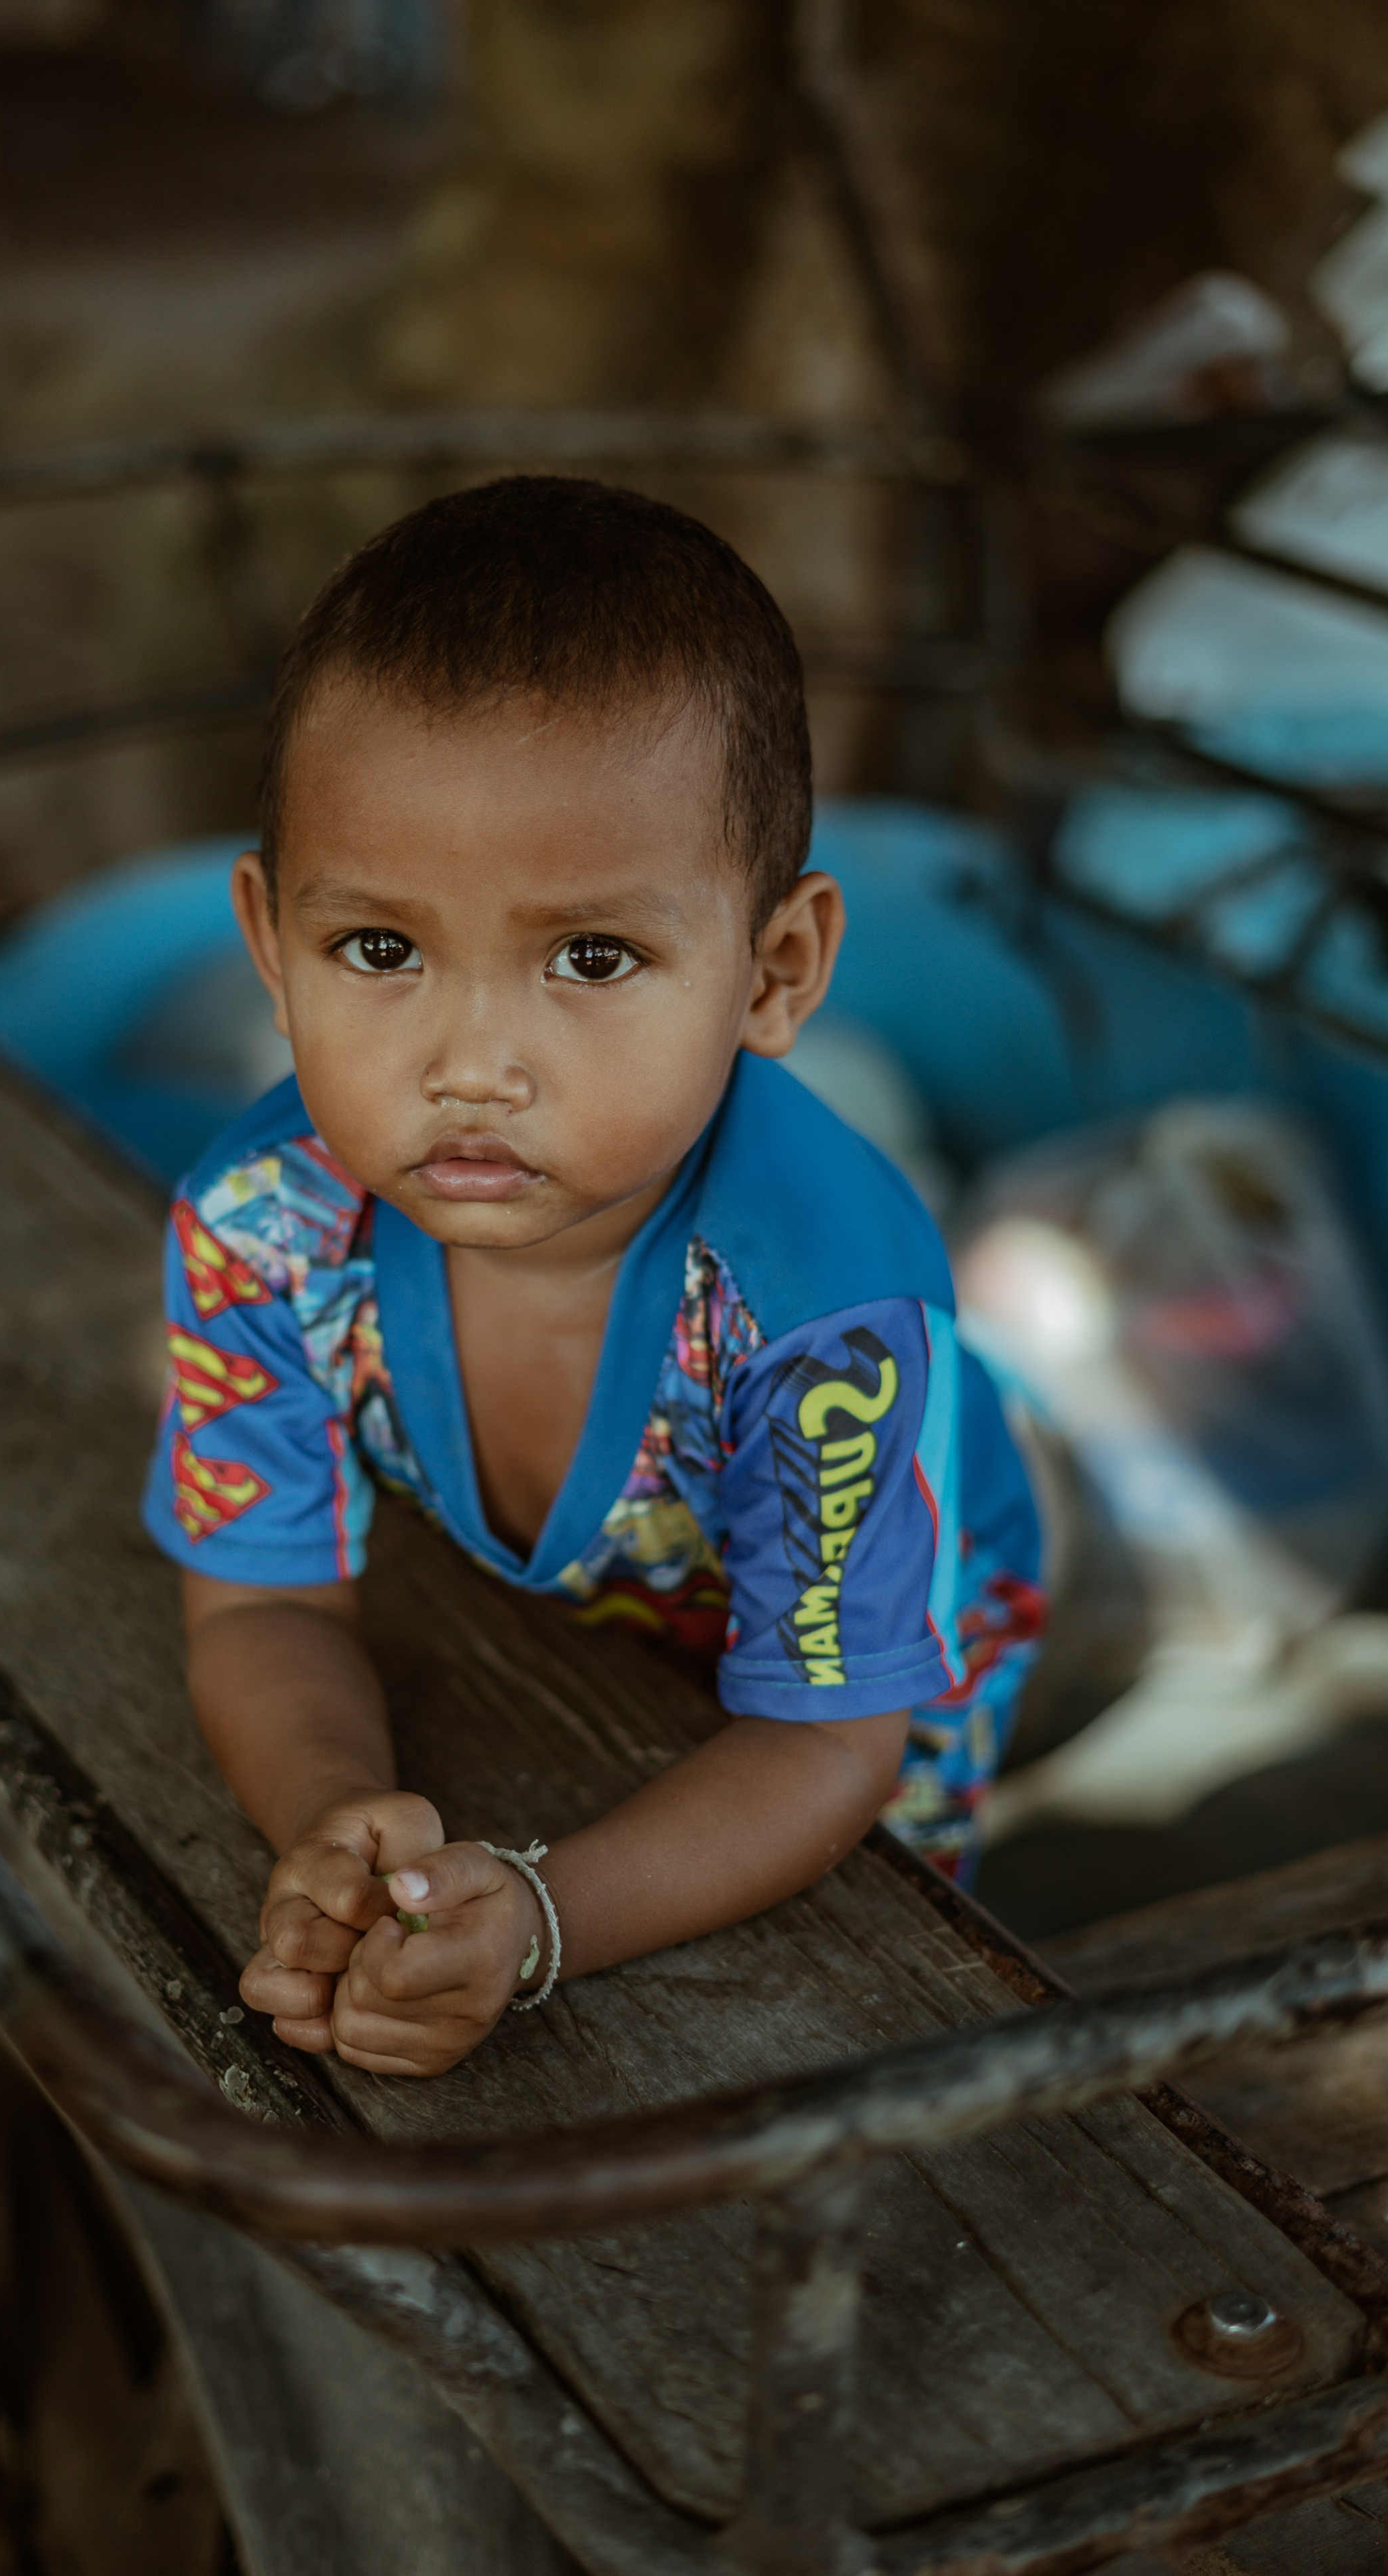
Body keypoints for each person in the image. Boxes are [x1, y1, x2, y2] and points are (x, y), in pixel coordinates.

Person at [141, 476, 1043, 2077]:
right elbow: (262, 1593)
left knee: (857, 2006)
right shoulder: (265, 1225)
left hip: (868, 1657)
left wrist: (542, 1918)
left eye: (592, 958)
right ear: (269, 943)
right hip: (590, 1615)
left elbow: (829, 1736)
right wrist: (337, 1818)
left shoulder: (820, 1315)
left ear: (774, 974)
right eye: (379, 950)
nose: (471, 1064)